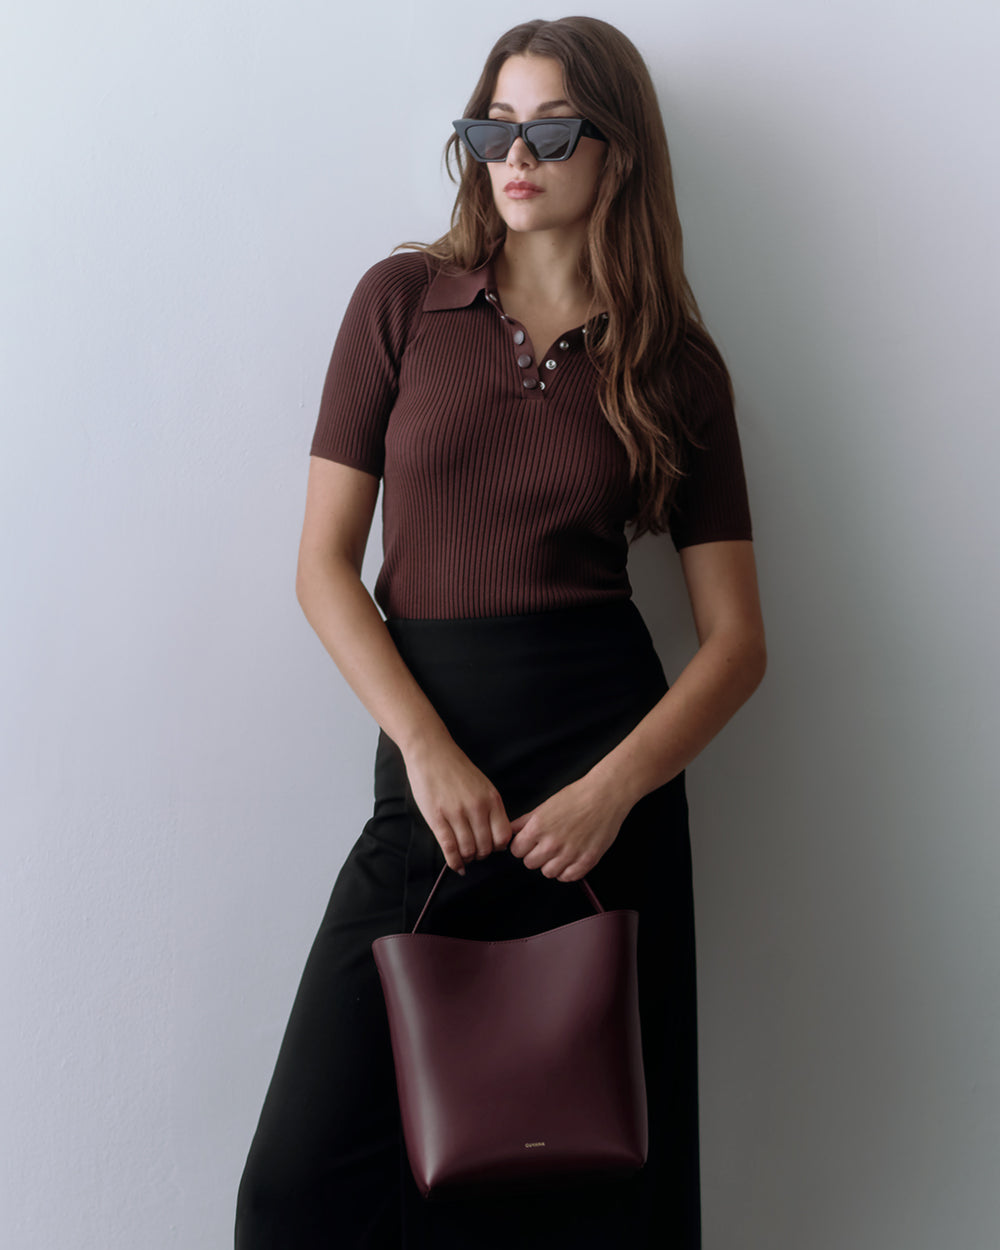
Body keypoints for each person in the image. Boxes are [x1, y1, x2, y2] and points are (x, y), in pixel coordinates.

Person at [235, 15, 766, 1249]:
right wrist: (422, 750)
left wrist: (607, 795)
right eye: (491, 127)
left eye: (546, 129)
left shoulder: (676, 365)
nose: (511, 155)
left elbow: (736, 641)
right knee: (296, 1189)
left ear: (615, 153)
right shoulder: (404, 301)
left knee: (589, 1192)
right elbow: (324, 568)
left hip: (602, 792)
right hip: (428, 778)